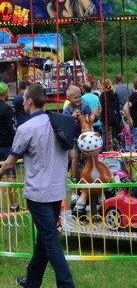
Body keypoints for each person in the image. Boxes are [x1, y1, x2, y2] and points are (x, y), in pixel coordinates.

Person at [0, 83, 76, 287]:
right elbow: (72, 154)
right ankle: (32, 281)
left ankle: (66, 284)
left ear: (30, 101)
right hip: (57, 190)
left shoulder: (26, 128)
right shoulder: (60, 122)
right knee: (45, 238)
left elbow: (9, 164)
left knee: (50, 239)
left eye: (24, 98)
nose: (22, 102)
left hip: (38, 194)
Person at [0, 82, 15, 161]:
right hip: (6, 146)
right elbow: (12, 128)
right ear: (4, 93)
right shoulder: (6, 109)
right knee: (9, 172)